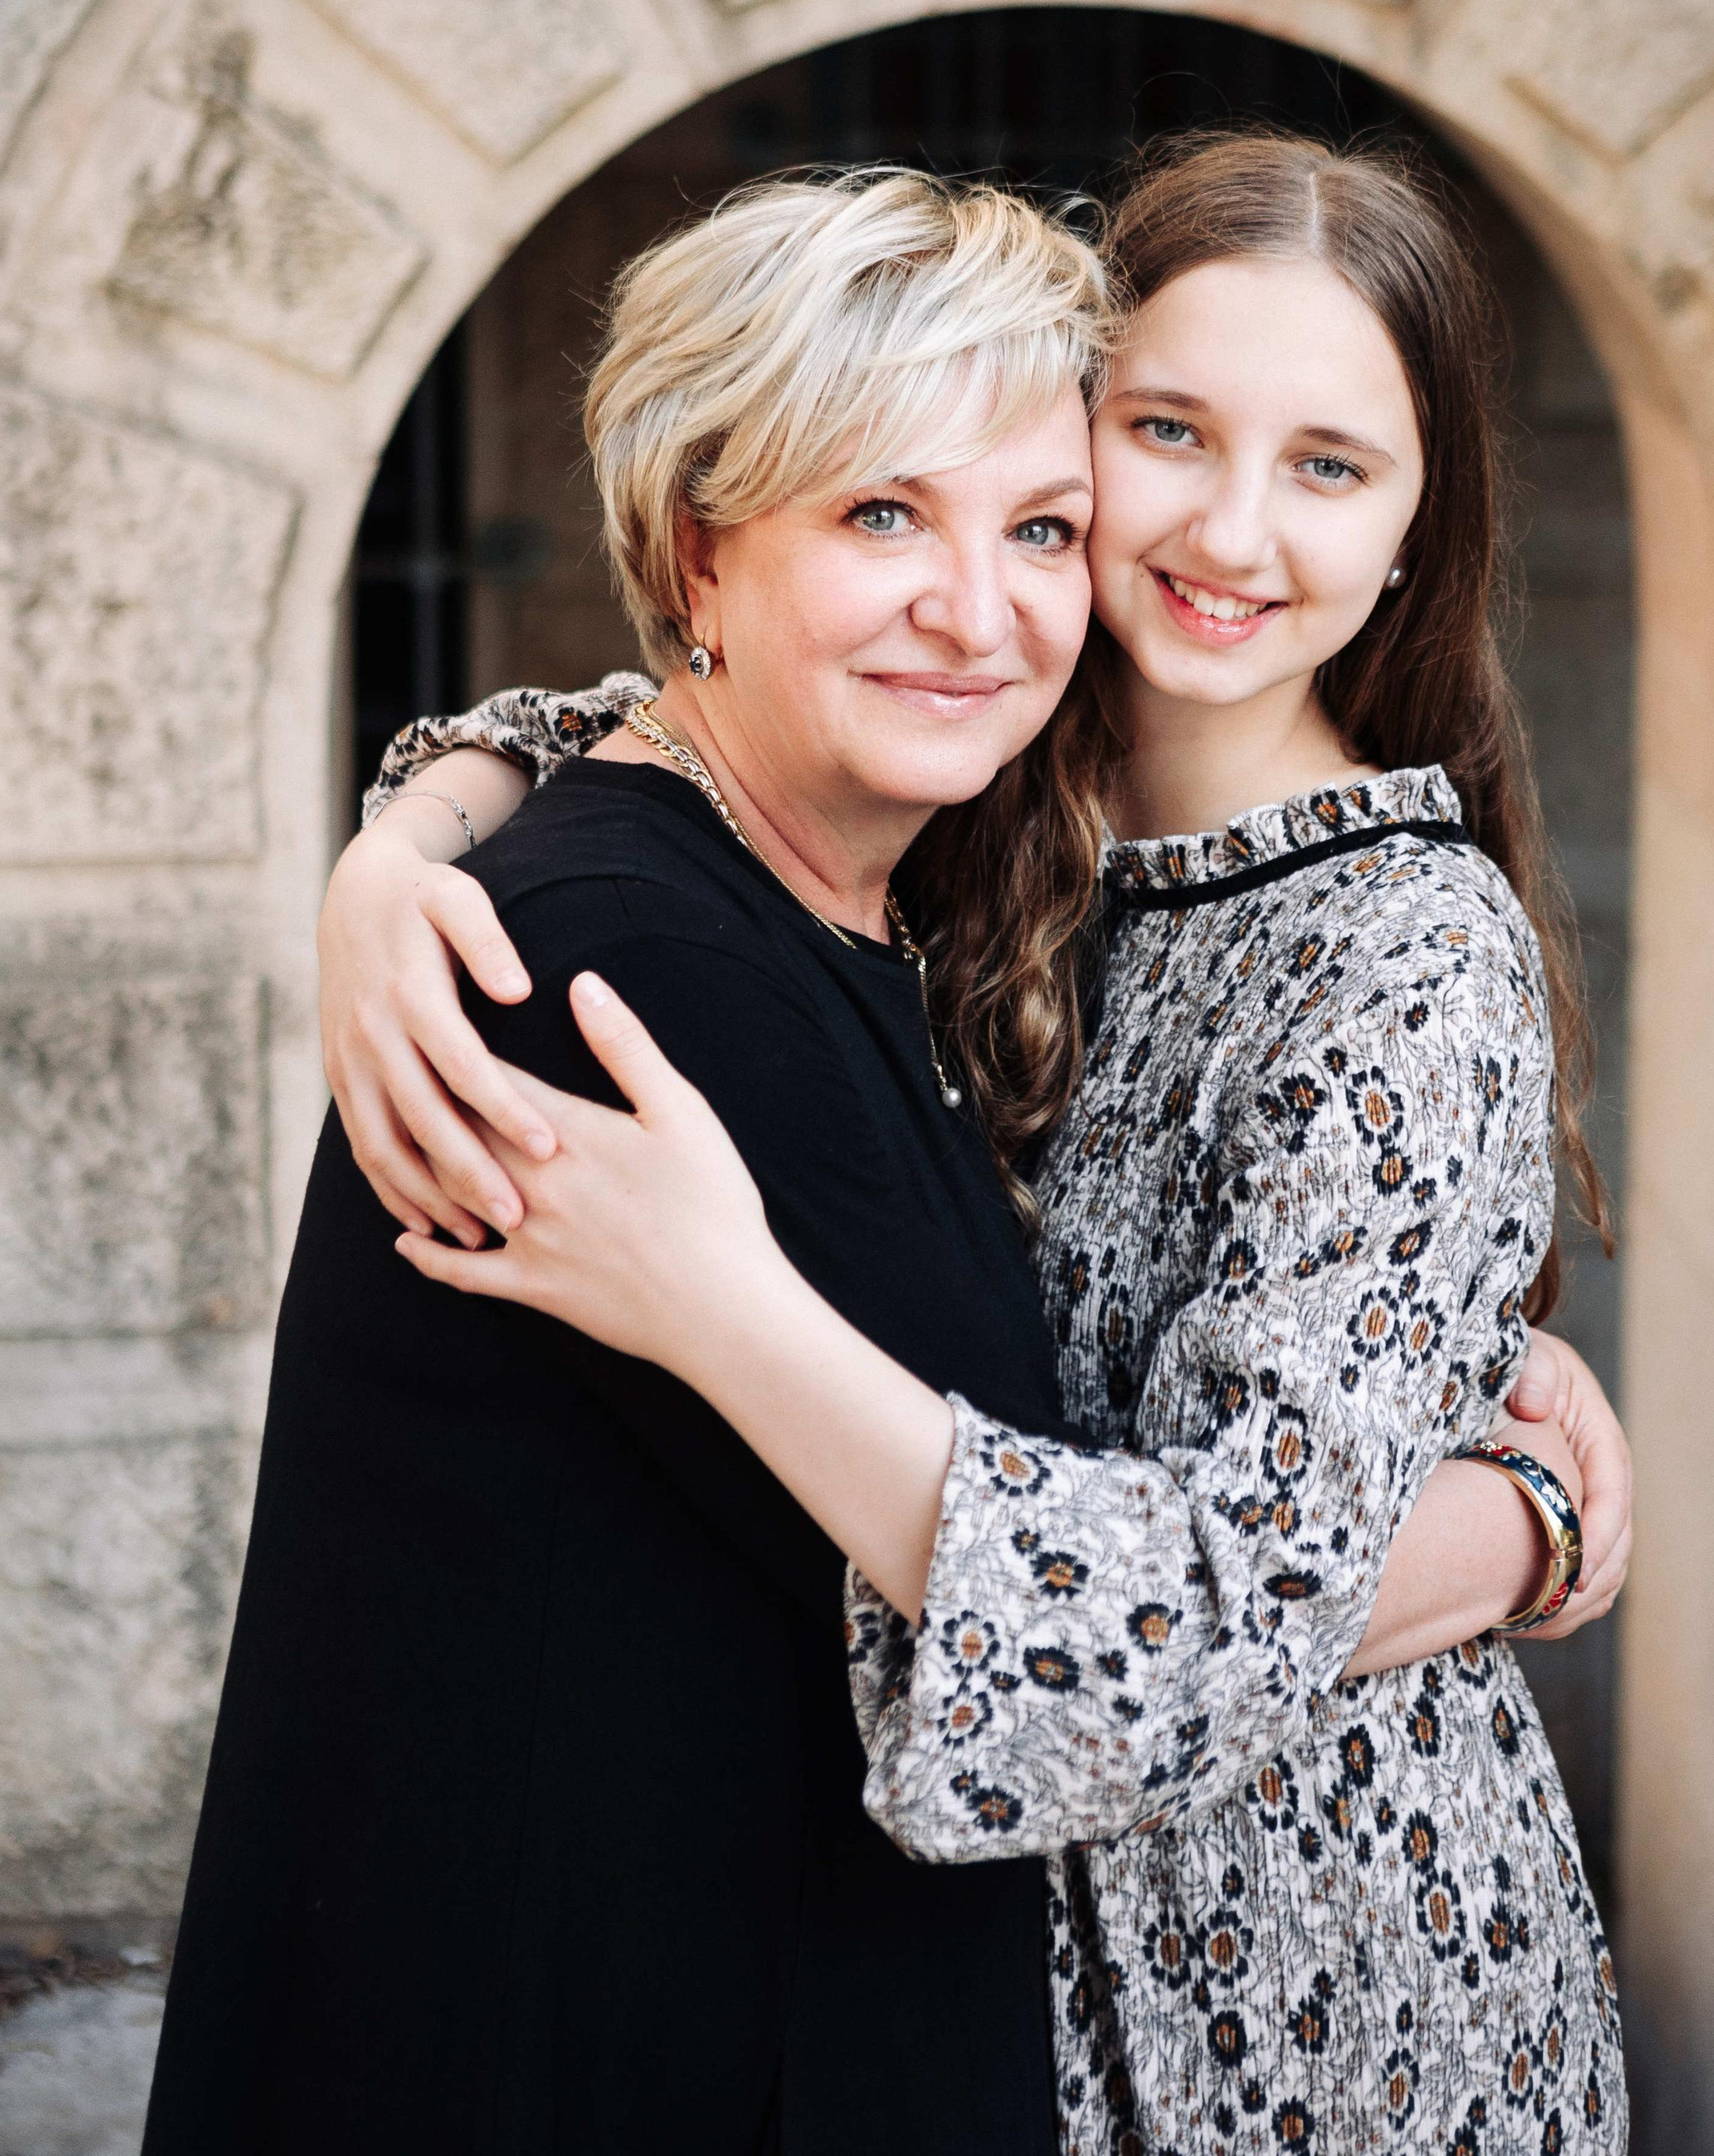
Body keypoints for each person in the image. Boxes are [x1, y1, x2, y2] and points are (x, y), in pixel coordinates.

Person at [323, 130, 1632, 2152]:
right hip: (972, 1960)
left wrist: (710, 1300)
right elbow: (705, 690)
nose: (1227, 526)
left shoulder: (1403, 952)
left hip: (1307, 1997)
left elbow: (1208, 1629)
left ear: (1412, 529)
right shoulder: (986, 800)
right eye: (1167, 431)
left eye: (1329, 466)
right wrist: (413, 832)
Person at [143, 172, 1115, 2156]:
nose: (979, 607)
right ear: (699, 547)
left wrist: (419, 806)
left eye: (1041, 528)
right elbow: (1058, 1631)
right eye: (878, 515)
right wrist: (1508, 1512)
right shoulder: (630, 966)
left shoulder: (772, 882)